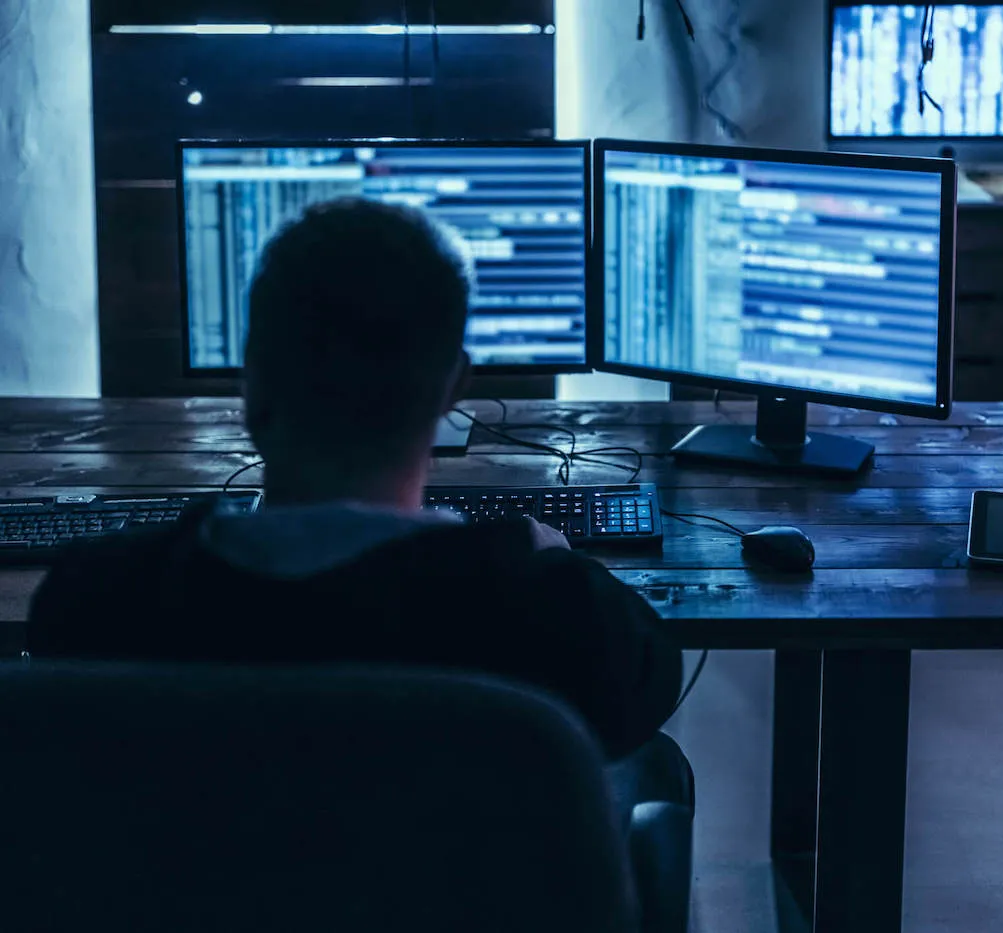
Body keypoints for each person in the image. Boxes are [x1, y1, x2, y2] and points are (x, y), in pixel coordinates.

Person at [26, 197, 693, 819]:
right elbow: (652, 679)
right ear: (452, 388)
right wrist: (557, 565)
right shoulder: (554, 615)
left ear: (252, 378)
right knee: (657, 770)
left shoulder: (93, 600)